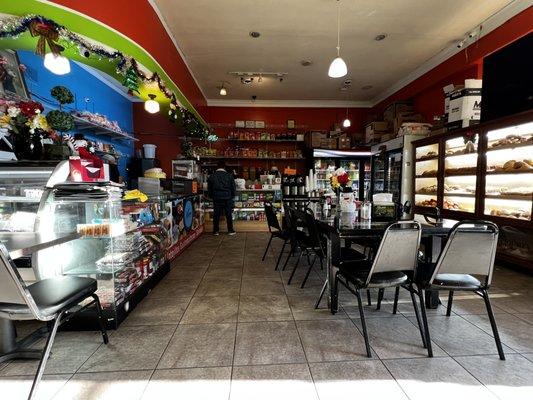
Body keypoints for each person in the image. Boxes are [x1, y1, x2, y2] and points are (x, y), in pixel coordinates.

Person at [208, 160, 236, 235]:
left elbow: (209, 188)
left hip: (216, 197)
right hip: (227, 197)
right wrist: (232, 196)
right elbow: (233, 187)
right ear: (224, 167)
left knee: (216, 214)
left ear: (217, 167)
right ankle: (230, 230)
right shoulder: (229, 175)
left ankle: (216, 231)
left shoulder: (212, 176)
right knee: (228, 214)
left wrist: (211, 196)